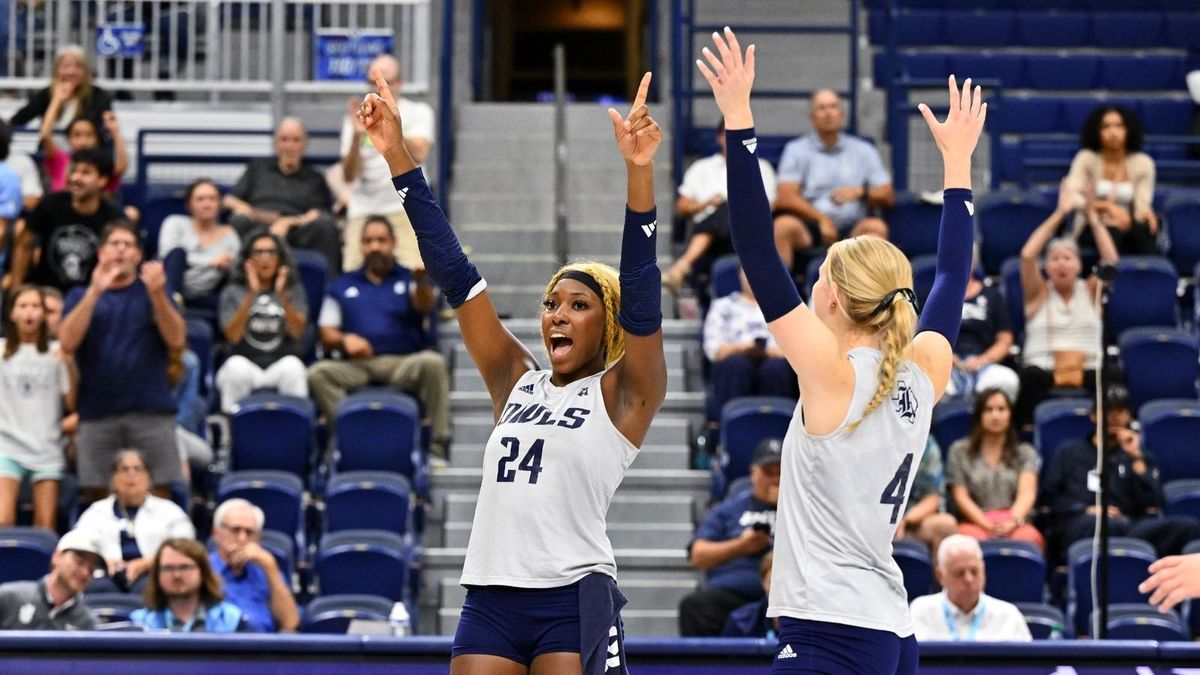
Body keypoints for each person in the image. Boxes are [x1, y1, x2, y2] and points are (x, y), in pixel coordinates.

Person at [358, 66, 667, 674]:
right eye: (552, 303)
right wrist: (397, 157)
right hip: (491, 594)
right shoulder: (515, 379)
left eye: (579, 306)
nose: (558, 314)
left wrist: (639, 173)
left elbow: (641, 293)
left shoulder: (626, 392)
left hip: (573, 596)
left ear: (606, 324)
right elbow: (454, 272)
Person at [696, 28, 982, 672]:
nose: (811, 282)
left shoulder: (829, 374)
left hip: (831, 633)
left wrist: (739, 122)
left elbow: (756, 248)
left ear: (834, 299)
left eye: (820, 274)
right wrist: (957, 169)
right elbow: (950, 281)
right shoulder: (922, 373)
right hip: (888, 627)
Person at [59, 222, 185, 502]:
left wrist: (158, 296)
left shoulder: (154, 292)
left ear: (139, 255)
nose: (121, 250)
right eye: (114, 244)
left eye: (128, 245)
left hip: (151, 411)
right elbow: (67, 343)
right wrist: (94, 292)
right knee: (97, 497)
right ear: (102, 252)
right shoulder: (80, 295)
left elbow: (176, 340)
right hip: (97, 412)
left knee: (160, 492)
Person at [308, 216, 445, 453]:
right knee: (317, 373)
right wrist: (343, 340)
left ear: (392, 243)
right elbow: (326, 331)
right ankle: (350, 433)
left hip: (402, 364)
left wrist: (422, 281)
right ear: (361, 245)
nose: (375, 247)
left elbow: (424, 306)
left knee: (433, 363)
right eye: (368, 241)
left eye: (381, 240)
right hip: (357, 366)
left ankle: (436, 443)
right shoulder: (341, 285)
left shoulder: (410, 278)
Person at [1040, 384, 1200, 562]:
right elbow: (1049, 499)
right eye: (1107, 410)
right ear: (1093, 415)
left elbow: (1154, 503)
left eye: (1120, 411)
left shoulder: (1138, 455)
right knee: (1100, 524)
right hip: (1083, 523)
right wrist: (1088, 509)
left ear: (1129, 416)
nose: (1113, 417)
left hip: (1128, 525)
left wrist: (1137, 458)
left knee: (1188, 527)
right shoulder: (1069, 451)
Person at [1015, 187, 1120, 429]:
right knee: (1029, 378)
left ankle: (1107, 435)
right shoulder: (1038, 292)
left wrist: (1092, 217)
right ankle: (1028, 433)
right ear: (1047, 267)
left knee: (1112, 378)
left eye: (1067, 258)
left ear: (1079, 265)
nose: (1061, 263)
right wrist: (1060, 213)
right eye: (1055, 258)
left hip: (1088, 366)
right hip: (1044, 367)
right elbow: (1028, 256)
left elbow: (1111, 261)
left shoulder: (1091, 290)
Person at [772, 89, 894, 268]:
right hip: (812, 226)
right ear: (812, 117)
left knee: (877, 228)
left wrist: (861, 192)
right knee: (782, 226)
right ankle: (778, 294)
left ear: (841, 114)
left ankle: (870, 295)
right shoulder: (796, 150)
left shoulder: (864, 150)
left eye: (833, 107)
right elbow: (785, 196)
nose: (828, 113)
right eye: (821, 108)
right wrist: (821, 219)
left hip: (854, 226)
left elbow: (887, 194)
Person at [341, 53, 435, 271]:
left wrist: (392, 126)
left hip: (406, 206)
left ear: (400, 83)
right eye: (373, 82)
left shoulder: (418, 112)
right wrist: (356, 136)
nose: (379, 87)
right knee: (351, 273)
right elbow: (349, 176)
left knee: (416, 274)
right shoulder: (357, 118)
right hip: (365, 206)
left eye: (386, 81)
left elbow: (420, 153)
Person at [664, 121, 777, 298]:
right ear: (718, 138)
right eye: (729, 133)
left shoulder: (762, 167)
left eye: (740, 134)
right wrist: (705, 205)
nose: (734, 139)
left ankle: (682, 266)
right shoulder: (701, 168)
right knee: (721, 210)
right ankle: (687, 268)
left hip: (748, 235)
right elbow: (682, 207)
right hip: (708, 244)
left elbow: (767, 207)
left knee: (728, 207)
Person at [680, 438, 779, 637]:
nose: (776, 479)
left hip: (789, 594)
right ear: (753, 472)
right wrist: (742, 545)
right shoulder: (730, 510)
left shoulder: (804, 511)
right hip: (734, 596)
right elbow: (698, 555)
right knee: (695, 607)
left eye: (782, 472)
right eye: (769, 472)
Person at [223, 117, 342, 272]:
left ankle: (329, 287)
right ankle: (236, 281)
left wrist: (287, 222)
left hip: (297, 230)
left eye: (296, 140)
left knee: (325, 224)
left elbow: (318, 212)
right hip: (258, 225)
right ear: (276, 144)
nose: (290, 146)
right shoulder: (258, 167)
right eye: (284, 140)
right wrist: (257, 215)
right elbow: (229, 200)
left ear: (304, 145)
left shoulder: (315, 177)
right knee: (238, 220)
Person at [0, 285, 74, 530]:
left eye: (35, 306)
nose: (29, 312)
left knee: (44, 526)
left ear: (43, 313)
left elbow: (71, 403)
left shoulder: (57, 354)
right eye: (22, 306)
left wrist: (69, 364)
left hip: (46, 449)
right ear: (12, 313)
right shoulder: (0, 351)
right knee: (3, 521)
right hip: (7, 446)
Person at [73, 449, 195, 594]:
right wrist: (102, 560)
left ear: (148, 478)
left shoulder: (169, 511)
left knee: (148, 589)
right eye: (124, 469)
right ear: (113, 479)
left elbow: (185, 547)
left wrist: (147, 563)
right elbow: (77, 543)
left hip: (153, 572)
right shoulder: (96, 511)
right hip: (106, 573)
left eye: (138, 469)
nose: (131, 475)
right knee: (100, 589)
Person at [215, 232, 308, 413]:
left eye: (271, 252)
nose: (265, 258)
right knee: (235, 367)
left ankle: (296, 431)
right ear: (248, 260)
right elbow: (233, 337)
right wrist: (251, 294)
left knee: (294, 366)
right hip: (245, 362)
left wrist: (282, 297)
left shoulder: (293, 290)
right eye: (259, 252)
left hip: (279, 363)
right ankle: (231, 430)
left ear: (280, 259)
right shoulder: (232, 291)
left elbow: (297, 332)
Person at [8, 148, 120, 293]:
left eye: (85, 173)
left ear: (102, 180)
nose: (75, 178)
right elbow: (24, 244)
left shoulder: (112, 218)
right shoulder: (51, 204)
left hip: (89, 296)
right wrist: (16, 289)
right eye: (74, 170)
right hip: (46, 293)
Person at [946, 388, 1044, 549]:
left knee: (1029, 539)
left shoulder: (1025, 452)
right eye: (988, 409)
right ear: (979, 416)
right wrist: (985, 524)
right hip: (975, 522)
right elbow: (960, 496)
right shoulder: (959, 451)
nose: (995, 415)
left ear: (1010, 415)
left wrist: (1012, 521)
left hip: (1015, 522)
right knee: (965, 542)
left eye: (1001, 409)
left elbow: (1027, 493)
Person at [702, 268, 797, 422]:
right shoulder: (723, 306)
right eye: (747, 272)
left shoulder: (783, 306)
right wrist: (741, 348)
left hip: (774, 358)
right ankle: (730, 427)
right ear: (739, 276)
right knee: (736, 366)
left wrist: (765, 351)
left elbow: (796, 350)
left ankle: (778, 427)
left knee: (775, 369)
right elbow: (714, 350)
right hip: (735, 359)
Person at [1062, 105, 1158, 255]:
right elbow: (1072, 198)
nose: (1113, 132)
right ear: (1097, 132)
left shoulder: (1143, 162)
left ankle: (1153, 274)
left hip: (1126, 222)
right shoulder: (1086, 158)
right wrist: (1106, 207)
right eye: (1106, 127)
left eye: (1119, 126)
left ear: (1129, 130)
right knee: (1113, 234)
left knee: (1145, 232)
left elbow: (1142, 205)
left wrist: (1145, 214)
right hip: (1091, 223)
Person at [909, 535, 1032, 642]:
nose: (969, 579)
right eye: (959, 573)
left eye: (974, 571)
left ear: (983, 570)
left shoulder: (1008, 616)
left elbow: (1028, 667)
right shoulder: (921, 612)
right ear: (940, 575)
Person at [209, 498, 300, 633]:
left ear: (258, 538)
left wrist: (270, 567)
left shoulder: (266, 570)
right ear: (216, 533)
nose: (242, 538)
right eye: (235, 530)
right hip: (216, 648)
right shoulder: (203, 570)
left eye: (249, 532)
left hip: (263, 649)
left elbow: (290, 623)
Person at [131, 538, 247, 633]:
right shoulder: (138, 623)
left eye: (185, 567)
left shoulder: (232, 620)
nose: (177, 575)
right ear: (157, 574)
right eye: (168, 568)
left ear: (203, 572)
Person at [0, 528, 103, 630]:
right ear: (57, 556)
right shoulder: (8, 597)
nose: (85, 572)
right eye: (79, 561)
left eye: (92, 569)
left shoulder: (87, 623)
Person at [158, 179, 240, 306]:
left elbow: (237, 268)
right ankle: (172, 305)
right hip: (173, 289)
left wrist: (227, 264)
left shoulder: (229, 234)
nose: (206, 204)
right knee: (177, 253)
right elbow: (167, 255)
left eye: (212, 199)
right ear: (189, 204)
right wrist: (210, 261)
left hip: (207, 295)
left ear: (219, 204)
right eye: (200, 199)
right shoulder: (175, 223)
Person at [947, 254, 1018, 401]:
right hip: (947, 364)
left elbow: (1005, 339)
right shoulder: (938, 296)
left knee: (1009, 381)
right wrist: (947, 358)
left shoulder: (992, 295)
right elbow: (926, 334)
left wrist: (982, 360)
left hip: (982, 362)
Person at [9, 45, 113, 139]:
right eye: (66, 66)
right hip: (50, 154)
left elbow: (100, 131)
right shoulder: (46, 93)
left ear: (86, 71)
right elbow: (17, 120)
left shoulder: (98, 96)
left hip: (84, 155)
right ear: (56, 70)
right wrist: (57, 100)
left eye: (78, 66)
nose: (71, 72)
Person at [40, 106, 127, 195]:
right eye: (77, 135)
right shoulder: (61, 159)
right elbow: (45, 136)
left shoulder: (102, 163)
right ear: (69, 139)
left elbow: (121, 167)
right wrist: (57, 99)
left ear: (96, 139)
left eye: (89, 135)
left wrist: (115, 131)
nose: (83, 141)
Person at [895, 435, 957, 558]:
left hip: (908, 524)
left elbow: (933, 498)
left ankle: (939, 575)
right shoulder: (865, 440)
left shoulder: (924, 442)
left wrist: (905, 520)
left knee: (945, 525)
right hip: (870, 523)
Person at [721, 551, 777, 640]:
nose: (779, 590)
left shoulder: (806, 623)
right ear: (763, 583)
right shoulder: (740, 622)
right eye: (773, 583)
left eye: (785, 583)